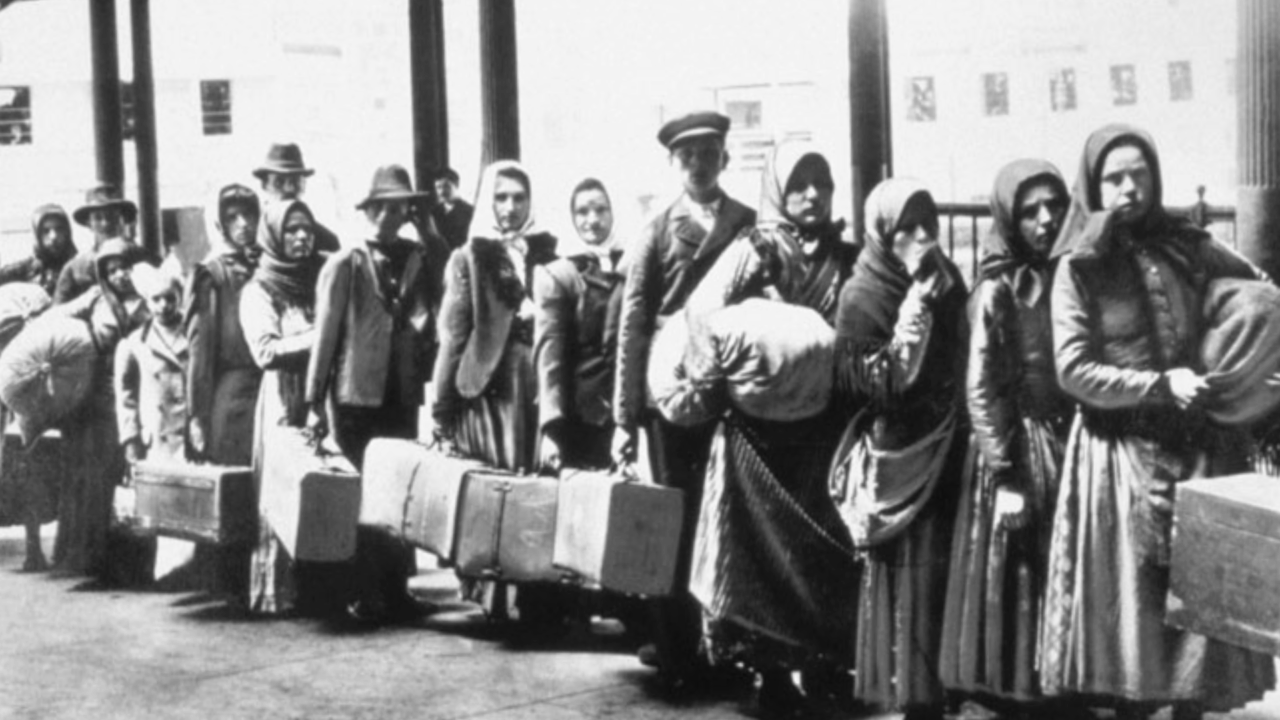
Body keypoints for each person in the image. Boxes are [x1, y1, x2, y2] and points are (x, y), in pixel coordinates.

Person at [1039, 124, 1276, 719]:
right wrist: (1155, 385)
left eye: (1138, 174)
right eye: (1113, 178)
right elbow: (1072, 369)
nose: (1128, 188)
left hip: (1198, 445)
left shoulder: (1186, 242)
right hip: (1119, 459)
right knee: (1137, 615)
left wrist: (1243, 369)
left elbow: (1259, 289)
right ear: (1094, 185)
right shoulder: (1079, 265)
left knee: (1200, 611)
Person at [684, 144, 860, 716]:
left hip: (822, 425)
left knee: (821, 545)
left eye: (823, 182)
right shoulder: (755, 249)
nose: (813, 195)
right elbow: (703, 312)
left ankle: (823, 660)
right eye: (800, 183)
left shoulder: (848, 257)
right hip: (759, 434)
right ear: (779, 189)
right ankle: (773, 673)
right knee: (761, 551)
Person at [612, 111, 756, 688]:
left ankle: (726, 646)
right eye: (686, 155)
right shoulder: (656, 229)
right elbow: (633, 325)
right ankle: (677, 652)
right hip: (671, 394)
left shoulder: (747, 223)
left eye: (708, 152)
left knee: (723, 521)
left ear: (725, 157)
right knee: (675, 519)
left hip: (728, 388)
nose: (698, 164)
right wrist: (626, 415)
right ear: (673, 164)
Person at [937, 159, 1074, 715]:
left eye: (1054, 207)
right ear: (1009, 220)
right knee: (1017, 571)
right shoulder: (998, 288)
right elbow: (982, 389)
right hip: (1017, 448)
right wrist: (1007, 474)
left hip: (1066, 441)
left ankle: (1062, 683)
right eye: (1030, 212)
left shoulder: (1069, 273)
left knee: (1058, 567)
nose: (1045, 221)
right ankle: (1015, 691)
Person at [831, 178, 969, 720]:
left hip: (947, 443)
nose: (920, 237)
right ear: (883, 233)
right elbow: (872, 386)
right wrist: (914, 309)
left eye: (927, 226)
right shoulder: (862, 295)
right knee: (908, 576)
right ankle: (912, 695)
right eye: (906, 228)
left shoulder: (948, 280)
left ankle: (947, 686)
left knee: (944, 572)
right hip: (899, 455)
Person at [307, 164, 442, 623]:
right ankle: (362, 593)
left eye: (399, 206)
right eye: (381, 206)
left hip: (399, 393)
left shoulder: (417, 256)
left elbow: (429, 312)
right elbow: (325, 336)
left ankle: (396, 591)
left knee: (397, 494)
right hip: (354, 396)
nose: (390, 215)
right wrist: (314, 401)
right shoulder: (345, 261)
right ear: (367, 210)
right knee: (363, 496)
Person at [432, 159, 557, 623]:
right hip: (491, 390)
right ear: (487, 201)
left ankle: (536, 593)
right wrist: (443, 406)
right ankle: (497, 598)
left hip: (538, 386)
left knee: (538, 485)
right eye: (500, 198)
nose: (509, 207)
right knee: (495, 490)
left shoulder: (549, 253)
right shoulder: (468, 258)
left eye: (518, 198)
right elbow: (452, 336)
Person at [240, 199, 329, 615]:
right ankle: (279, 591)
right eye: (291, 230)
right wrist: (323, 337)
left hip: (322, 397)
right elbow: (266, 351)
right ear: (274, 236)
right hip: (284, 398)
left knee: (322, 489)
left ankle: (323, 588)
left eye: (306, 229)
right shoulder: (259, 290)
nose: (301, 237)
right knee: (282, 490)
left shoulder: (323, 277)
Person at [52, 238, 149, 579]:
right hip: (96, 397)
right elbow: (56, 316)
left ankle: (132, 561)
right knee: (96, 476)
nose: (120, 275)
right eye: (112, 270)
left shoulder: (149, 297)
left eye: (125, 267)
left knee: (132, 471)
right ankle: (92, 557)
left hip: (137, 390)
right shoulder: (95, 298)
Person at [116, 262, 200, 583]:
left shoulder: (194, 335)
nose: (163, 306)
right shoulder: (135, 343)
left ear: (179, 297)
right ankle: (168, 572)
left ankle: (194, 569)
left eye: (169, 298)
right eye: (156, 300)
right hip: (158, 433)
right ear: (147, 303)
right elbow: (125, 396)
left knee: (193, 497)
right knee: (164, 498)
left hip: (190, 430)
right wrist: (131, 437)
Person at [533, 178, 624, 472]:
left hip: (630, 413)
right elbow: (550, 356)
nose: (593, 221)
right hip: (584, 418)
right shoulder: (560, 275)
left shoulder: (634, 265)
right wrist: (551, 429)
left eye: (601, 210)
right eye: (583, 212)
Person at [186, 184, 263, 467]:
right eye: (232, 217)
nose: (243, 224)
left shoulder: (267, 266)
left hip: (271, 391)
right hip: (234, 395)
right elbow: (200, 352)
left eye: (249, 216)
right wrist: (197, 415)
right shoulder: (212, 274)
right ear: (221, 224)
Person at [54, 184, 148, 305]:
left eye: (111, 216)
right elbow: (57, 312)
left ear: (122, 219)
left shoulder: (141, 257)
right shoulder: (75, 268)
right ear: (89, 224)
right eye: (98, 218)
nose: (105, 223)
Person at [252, 142, 341, 256]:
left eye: (295, 182)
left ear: (304, 185)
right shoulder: (250, 238)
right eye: (279, 182)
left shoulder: (326, 240)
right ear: (264, 185)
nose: (289, 189)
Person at [0, 204, 77, 296]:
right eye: (46, 231)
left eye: (59, 229)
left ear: (67, 232)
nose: (53, 236)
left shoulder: (81, 267)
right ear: (37, 236)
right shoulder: (26, 269)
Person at [431, 167, 475, 251]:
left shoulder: (470, 212)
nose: (441, 192)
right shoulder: (434, 212)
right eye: (438, 187)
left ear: (457, 185)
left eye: (446, 186)